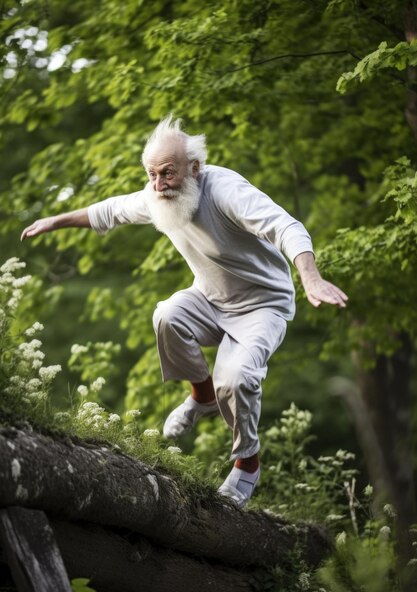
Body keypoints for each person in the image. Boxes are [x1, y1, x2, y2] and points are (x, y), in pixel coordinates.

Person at [21, 116, 348, 508]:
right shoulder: (157, 196)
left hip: (263, 306)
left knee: (237, 378)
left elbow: (287, 227)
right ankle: (202, 396)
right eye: (152, 174)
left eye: (168, 174)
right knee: (167, 315)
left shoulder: (225, 190)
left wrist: (310, 278)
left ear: (195, 168)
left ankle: (247, 462)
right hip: (211, 298)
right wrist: (56, 220)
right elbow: (109, 210)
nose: (159, 185)